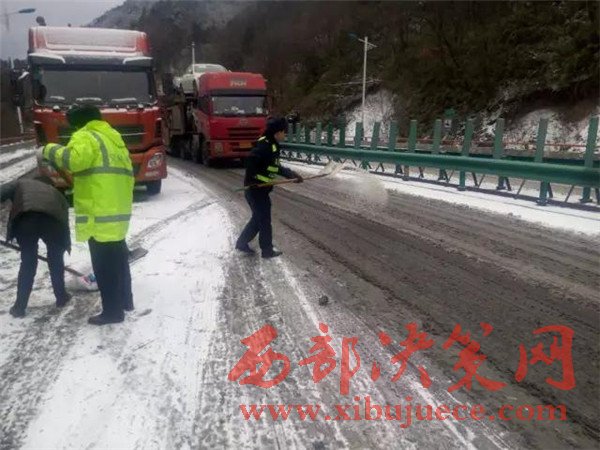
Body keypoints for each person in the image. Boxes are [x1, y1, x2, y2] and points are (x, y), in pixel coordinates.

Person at [42, 104, 134, 325]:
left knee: (104, 267)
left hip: (98, 214)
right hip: (117, 212)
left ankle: (112, 313)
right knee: (119, 260)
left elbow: (74, 160)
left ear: (78, 122)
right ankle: (125, 301)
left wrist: (48, 150)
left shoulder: (85, 135)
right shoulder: (113, 139)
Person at [1, 175, 71, 318]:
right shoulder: (56, 193)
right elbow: (64, 219)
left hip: (26, 221)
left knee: (28, 262)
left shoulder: (21, 183)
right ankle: (61, 296)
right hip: (53, 222)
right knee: (56, 260)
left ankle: (19, 307)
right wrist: (62, 244)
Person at [235, 116, 303, 258]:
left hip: (260, 190)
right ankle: (267, 250)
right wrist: (253, 180)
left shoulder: (272, 144)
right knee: (264, 220)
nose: (285, 135)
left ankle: (242, 243)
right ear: (277, 132)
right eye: (284, 132)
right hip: (255, 189)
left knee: (258, 218)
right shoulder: (265, 145)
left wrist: (292, 175)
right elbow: (250, 161)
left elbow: (275, 167)